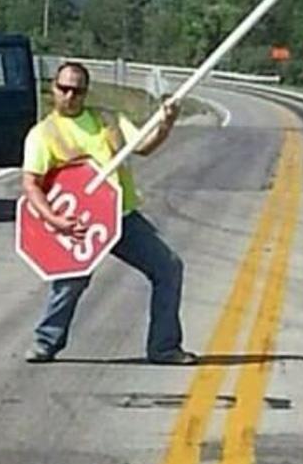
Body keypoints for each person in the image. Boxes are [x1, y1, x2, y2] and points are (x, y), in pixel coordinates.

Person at [22, 61, 197, 365]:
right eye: (64, 88)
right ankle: (45, 342)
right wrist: (55, 220)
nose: (70, 96)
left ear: (85, 92)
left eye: (77, 90)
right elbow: (31, 185)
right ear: (53, 88)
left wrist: (166, 124)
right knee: (70, 282)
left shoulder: (108, 120)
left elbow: (143, 146)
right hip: (77, 223)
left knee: (169, 268)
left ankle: (164, 348)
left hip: (121, 216)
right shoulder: (43, 134)